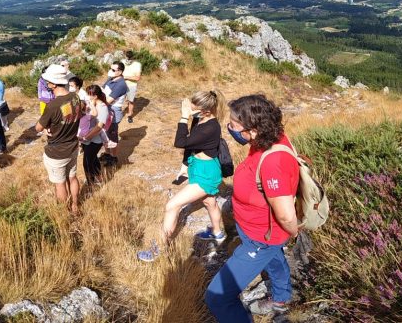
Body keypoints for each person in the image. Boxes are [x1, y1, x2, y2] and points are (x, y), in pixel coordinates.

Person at [205, 94, 299, 321]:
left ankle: (280, 299)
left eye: (234, 125)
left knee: (218, 297)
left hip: (262, 237)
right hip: (256, 230)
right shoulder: (266, 141)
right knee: (275, 260)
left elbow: (286, 215)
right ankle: (282, 298)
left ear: (253, 130)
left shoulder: (273, 162)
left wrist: (294, 232)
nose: (229, 127)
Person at [137, 90, 226, 262]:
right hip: (199, 167)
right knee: (209, 201)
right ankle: (218, 233)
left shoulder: (211, 127)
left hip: (206, 174)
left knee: (172, 205)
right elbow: (191, 143)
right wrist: (185, 164)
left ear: (206, 110)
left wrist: (184, 117)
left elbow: (181, 142)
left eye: (194, 106)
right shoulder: (201, 119)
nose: (190, 108)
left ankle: (159, 250)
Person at [36, 64, 81, 215]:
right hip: (73, 146)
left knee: (60, 184)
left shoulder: (52, 105)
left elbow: (38, 128)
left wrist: (48, 128)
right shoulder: (75, 97)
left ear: (53, 84)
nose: (47, 83)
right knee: (73, 177)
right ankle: (75, 206)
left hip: (57, 151)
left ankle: (65, 212)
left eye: (48, 81)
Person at [100, 61, 128, 166]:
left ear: (120, 72)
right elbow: (102, 90)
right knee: (104, 134)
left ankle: (113, 158)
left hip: (113, 113)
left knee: (112, 136)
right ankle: (107, 154)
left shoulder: (121, 85)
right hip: (106, 110)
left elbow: (108, 100)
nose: (110, 71)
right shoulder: (110, 79)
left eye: (113, 70)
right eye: (110, 68)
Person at [122, 50, 142, 123]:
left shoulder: (137, 64)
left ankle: (130, 115)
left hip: (131, 85)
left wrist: (126, 77)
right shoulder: (122, 62)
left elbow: (137, 78)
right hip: (121, 84)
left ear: (133, 57)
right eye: (127, 57)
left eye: (129, 58)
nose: (128, 60)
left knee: (130, 101)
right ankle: (117, 114)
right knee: (118, 99)